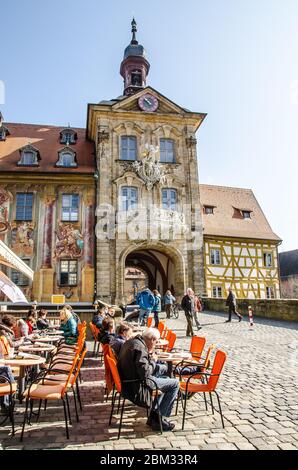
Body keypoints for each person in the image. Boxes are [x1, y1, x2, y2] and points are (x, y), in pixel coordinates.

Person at [117, 327, 179, 432]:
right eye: (156, 342)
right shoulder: (140, 347)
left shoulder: (132, 342)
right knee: (175, 383)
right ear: (152, 339)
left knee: (165, 378)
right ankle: (159, 418)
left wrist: (149, 356)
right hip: (136, 386)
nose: (155, 344)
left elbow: (141, 368)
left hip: (130, 380)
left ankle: (153, 418)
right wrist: (153, 361)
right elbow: (145, 372)